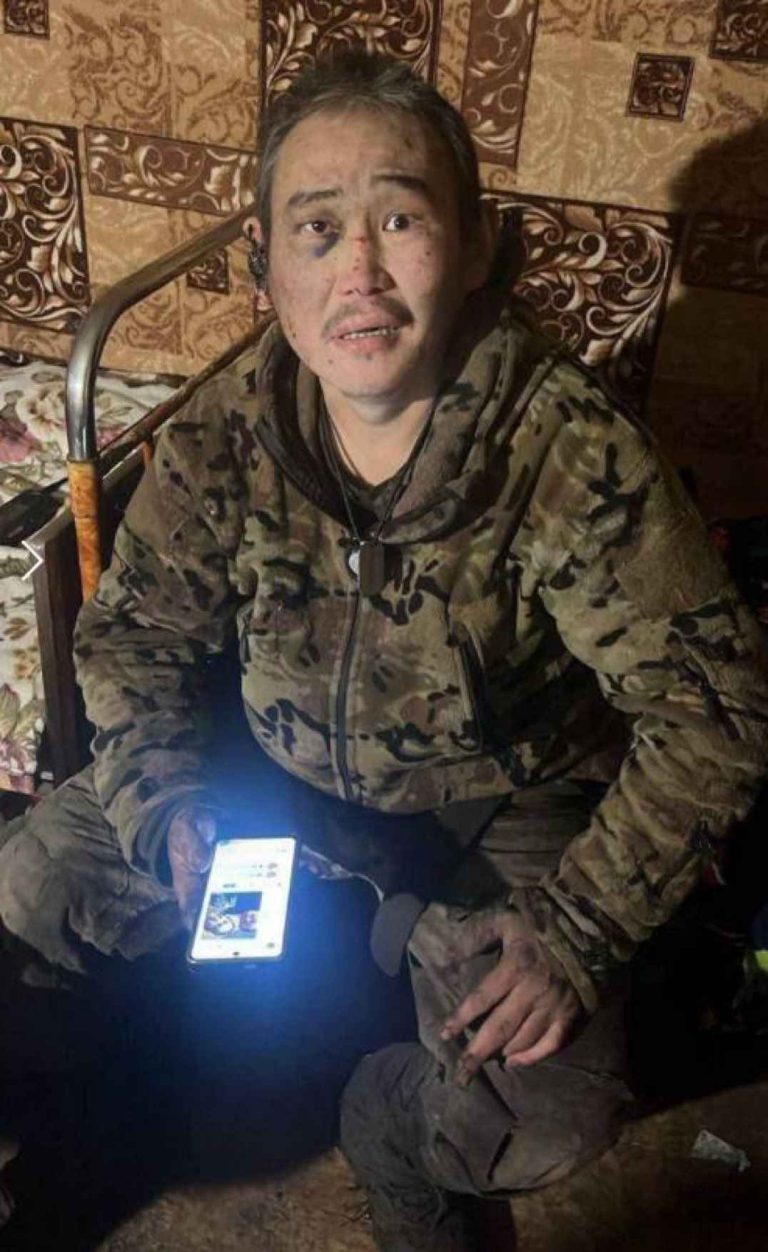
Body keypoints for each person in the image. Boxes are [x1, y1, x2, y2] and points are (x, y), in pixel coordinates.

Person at [1, 50, 767, 1251]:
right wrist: (168, 804)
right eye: (317, 230)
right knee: (31, 891)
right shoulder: (229, 430)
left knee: (542, 1115)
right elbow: (137, 633)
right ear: (266, 269)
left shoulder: (568, 453)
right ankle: (137, 1092)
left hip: (491, 815)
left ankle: (390, 1128)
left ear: (473, 247)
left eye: (400, 218)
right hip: (269, 770)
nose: (357, 269)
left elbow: (716, 711)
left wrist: (579, 925)